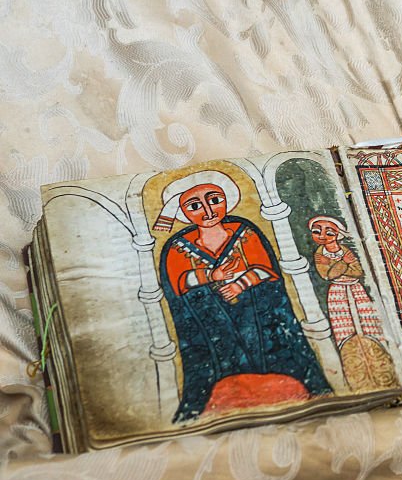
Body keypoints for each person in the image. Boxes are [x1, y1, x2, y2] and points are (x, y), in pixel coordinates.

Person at [154, 170, 333, 421]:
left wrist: (241, 283)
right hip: (212, 319)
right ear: (184, 212)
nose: (207, 210)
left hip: (254, 312)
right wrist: (211, 277)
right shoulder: (177, 245)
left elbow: (267, 270)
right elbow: (178, 283)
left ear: (227, 198)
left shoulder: (244, 230)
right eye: (195, 205)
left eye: (214, 199)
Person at [307, 215, 386, 345]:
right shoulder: (320, 254)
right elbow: (328, 275)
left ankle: (376, 346)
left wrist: (333, 263)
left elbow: (358, 272)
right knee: (343, 326)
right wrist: (343, 262)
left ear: (337, 234)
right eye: (316, 231)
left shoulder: (345, 250)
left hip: (356, 288)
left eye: (329, 233)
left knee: (367, 321)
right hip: (337, 290)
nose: (322, 236)